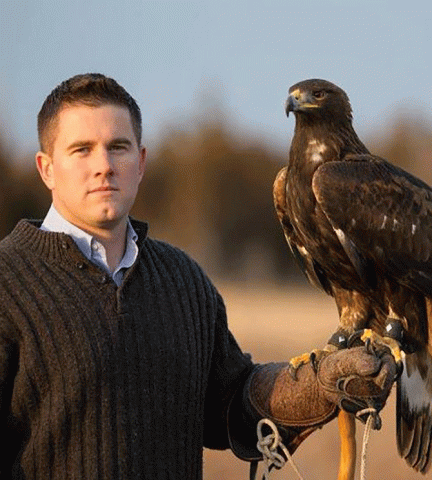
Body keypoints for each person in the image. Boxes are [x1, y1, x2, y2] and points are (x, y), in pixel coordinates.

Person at [0, 73, 396, 479]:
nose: (103, 166)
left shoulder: (182, 280)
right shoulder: (8, 284)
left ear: (140, 163)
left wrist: (316, 386)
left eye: (117, 147)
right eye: (81, 150)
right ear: (46, 168)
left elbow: (232, 406)